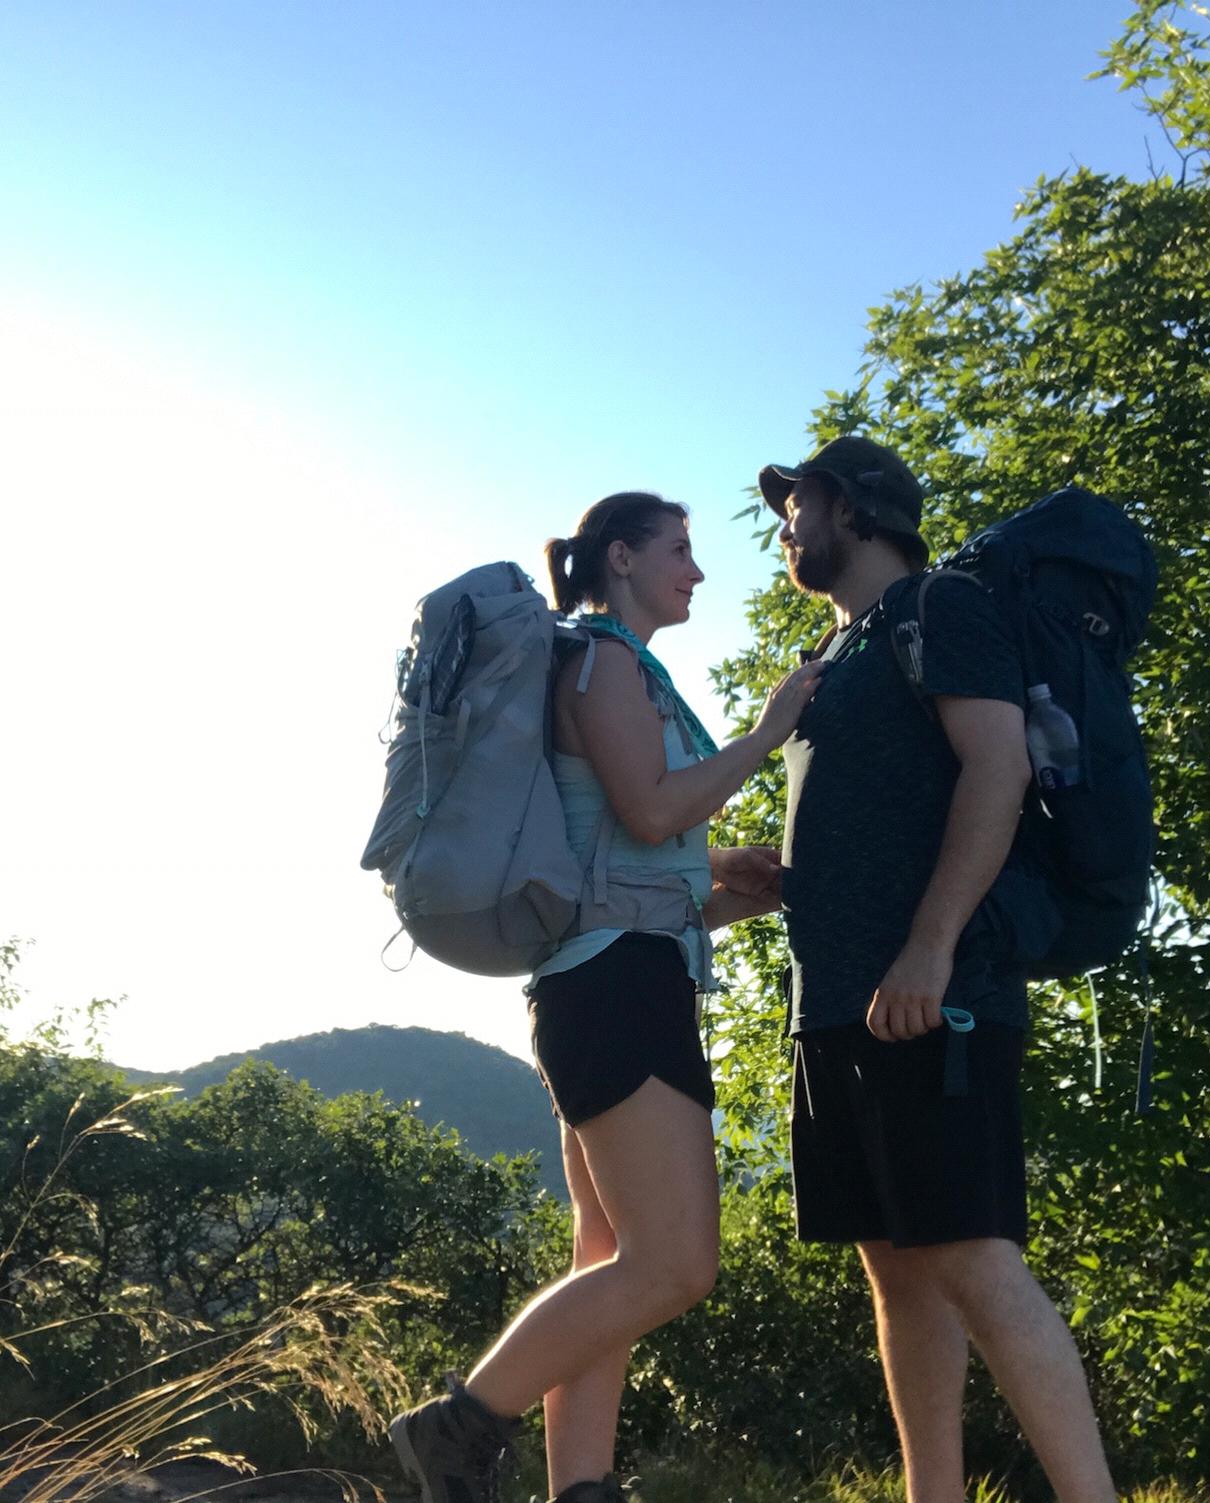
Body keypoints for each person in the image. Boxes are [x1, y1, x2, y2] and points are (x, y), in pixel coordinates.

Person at [387, 492, 825, 1503]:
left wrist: (733, 892)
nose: (696, 572)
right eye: (679, 551)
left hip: (606, 977)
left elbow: (631, 867)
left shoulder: (606, 664)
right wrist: (768, 731)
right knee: (674, 1265)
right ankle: (456, 1429)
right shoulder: (603, 660)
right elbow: (653, 806)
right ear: (618, 558)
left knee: (608, 1261)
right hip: (616, 994)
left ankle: (578, 1490)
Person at [759, 436, 1117, 1503]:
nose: (786, 525)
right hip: (837, 1004)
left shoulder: (937, 610)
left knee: (969, 1253)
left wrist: (929, 947)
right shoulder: (842, 651)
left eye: (799, 503)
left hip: (933, 994)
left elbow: (996, 768)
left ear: (856, 511)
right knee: (896, 1266)